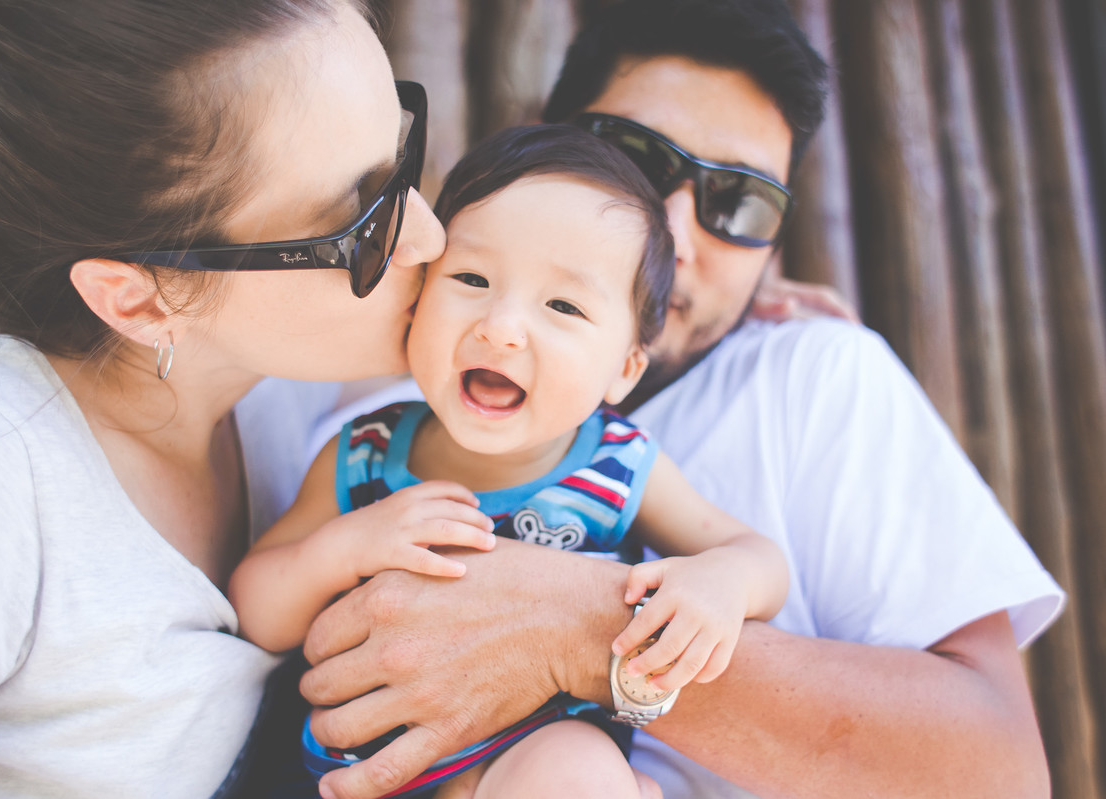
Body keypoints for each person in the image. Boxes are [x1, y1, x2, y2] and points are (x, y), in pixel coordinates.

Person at [293, 2, 1067, 798]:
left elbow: (1003, 772)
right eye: (631, 158)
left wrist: (582, 629)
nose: (674, 229)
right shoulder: (379, 395)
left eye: (740, 204)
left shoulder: (817, 377)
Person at [0, 0, 449, 795]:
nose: (428, 237)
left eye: (405, 162)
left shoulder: (280, 396)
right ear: (140, 300)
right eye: (362, 223)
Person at [229, 124, 789, 798]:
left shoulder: (618, 468)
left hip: (535, 753)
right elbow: (257, 607)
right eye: (471, 277)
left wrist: (723, 581)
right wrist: (343, 548)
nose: (501, 325)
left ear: (625, 367)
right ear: (419, 296)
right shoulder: (363, 455)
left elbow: (755, 555)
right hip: (358, 766)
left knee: (579, 773)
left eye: (562, 304)